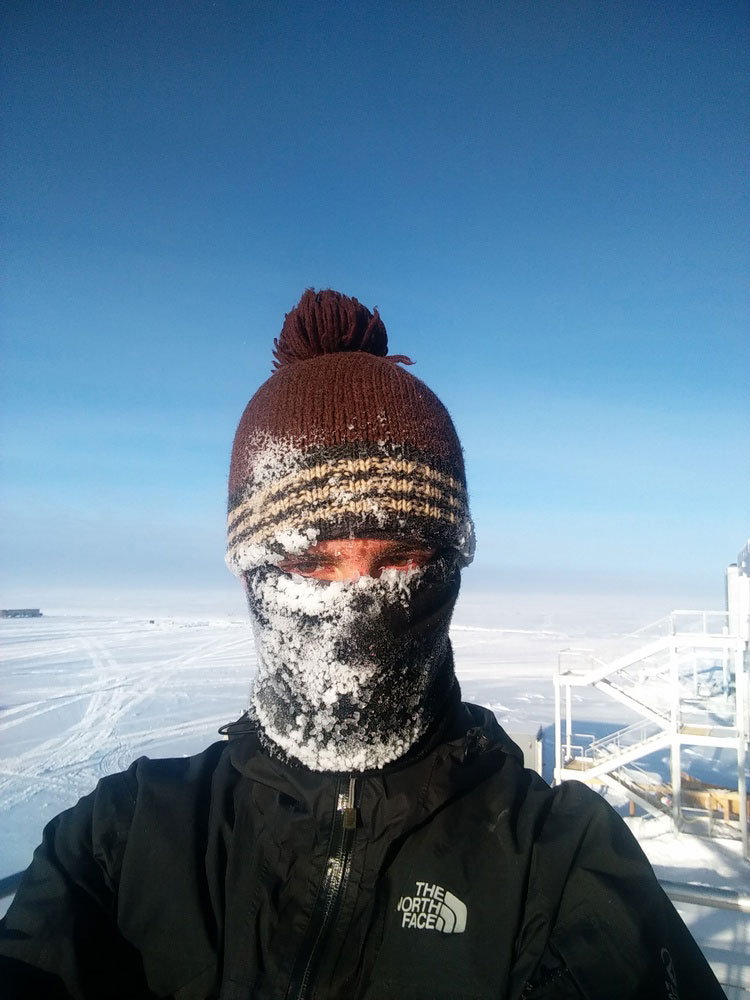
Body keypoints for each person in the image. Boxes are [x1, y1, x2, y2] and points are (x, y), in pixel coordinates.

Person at [0, 290, 725, 999]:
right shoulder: (119, 842)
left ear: (451, 565)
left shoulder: (560, 863)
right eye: (310, 563)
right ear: (251, 574)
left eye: (401, 559)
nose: (354, 604)